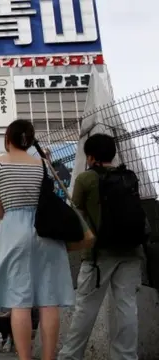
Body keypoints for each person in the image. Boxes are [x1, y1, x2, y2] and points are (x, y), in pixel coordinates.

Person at [0, 120, 74, 360]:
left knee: (19, 300)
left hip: (15, 229)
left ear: (7, 137)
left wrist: (12, 217)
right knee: (48, 300)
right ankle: (48, 357)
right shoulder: (42, 164)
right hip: (47, 230)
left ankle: (24, 358)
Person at [58, 134, 143, 360]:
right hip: (132, 251)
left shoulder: (86, 179)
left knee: (85, 308)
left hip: (99, 254)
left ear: (91, 157)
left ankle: (70, 356)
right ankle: (126, 357)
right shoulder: (129, 177)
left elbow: (76, 212)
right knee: (127, 307)